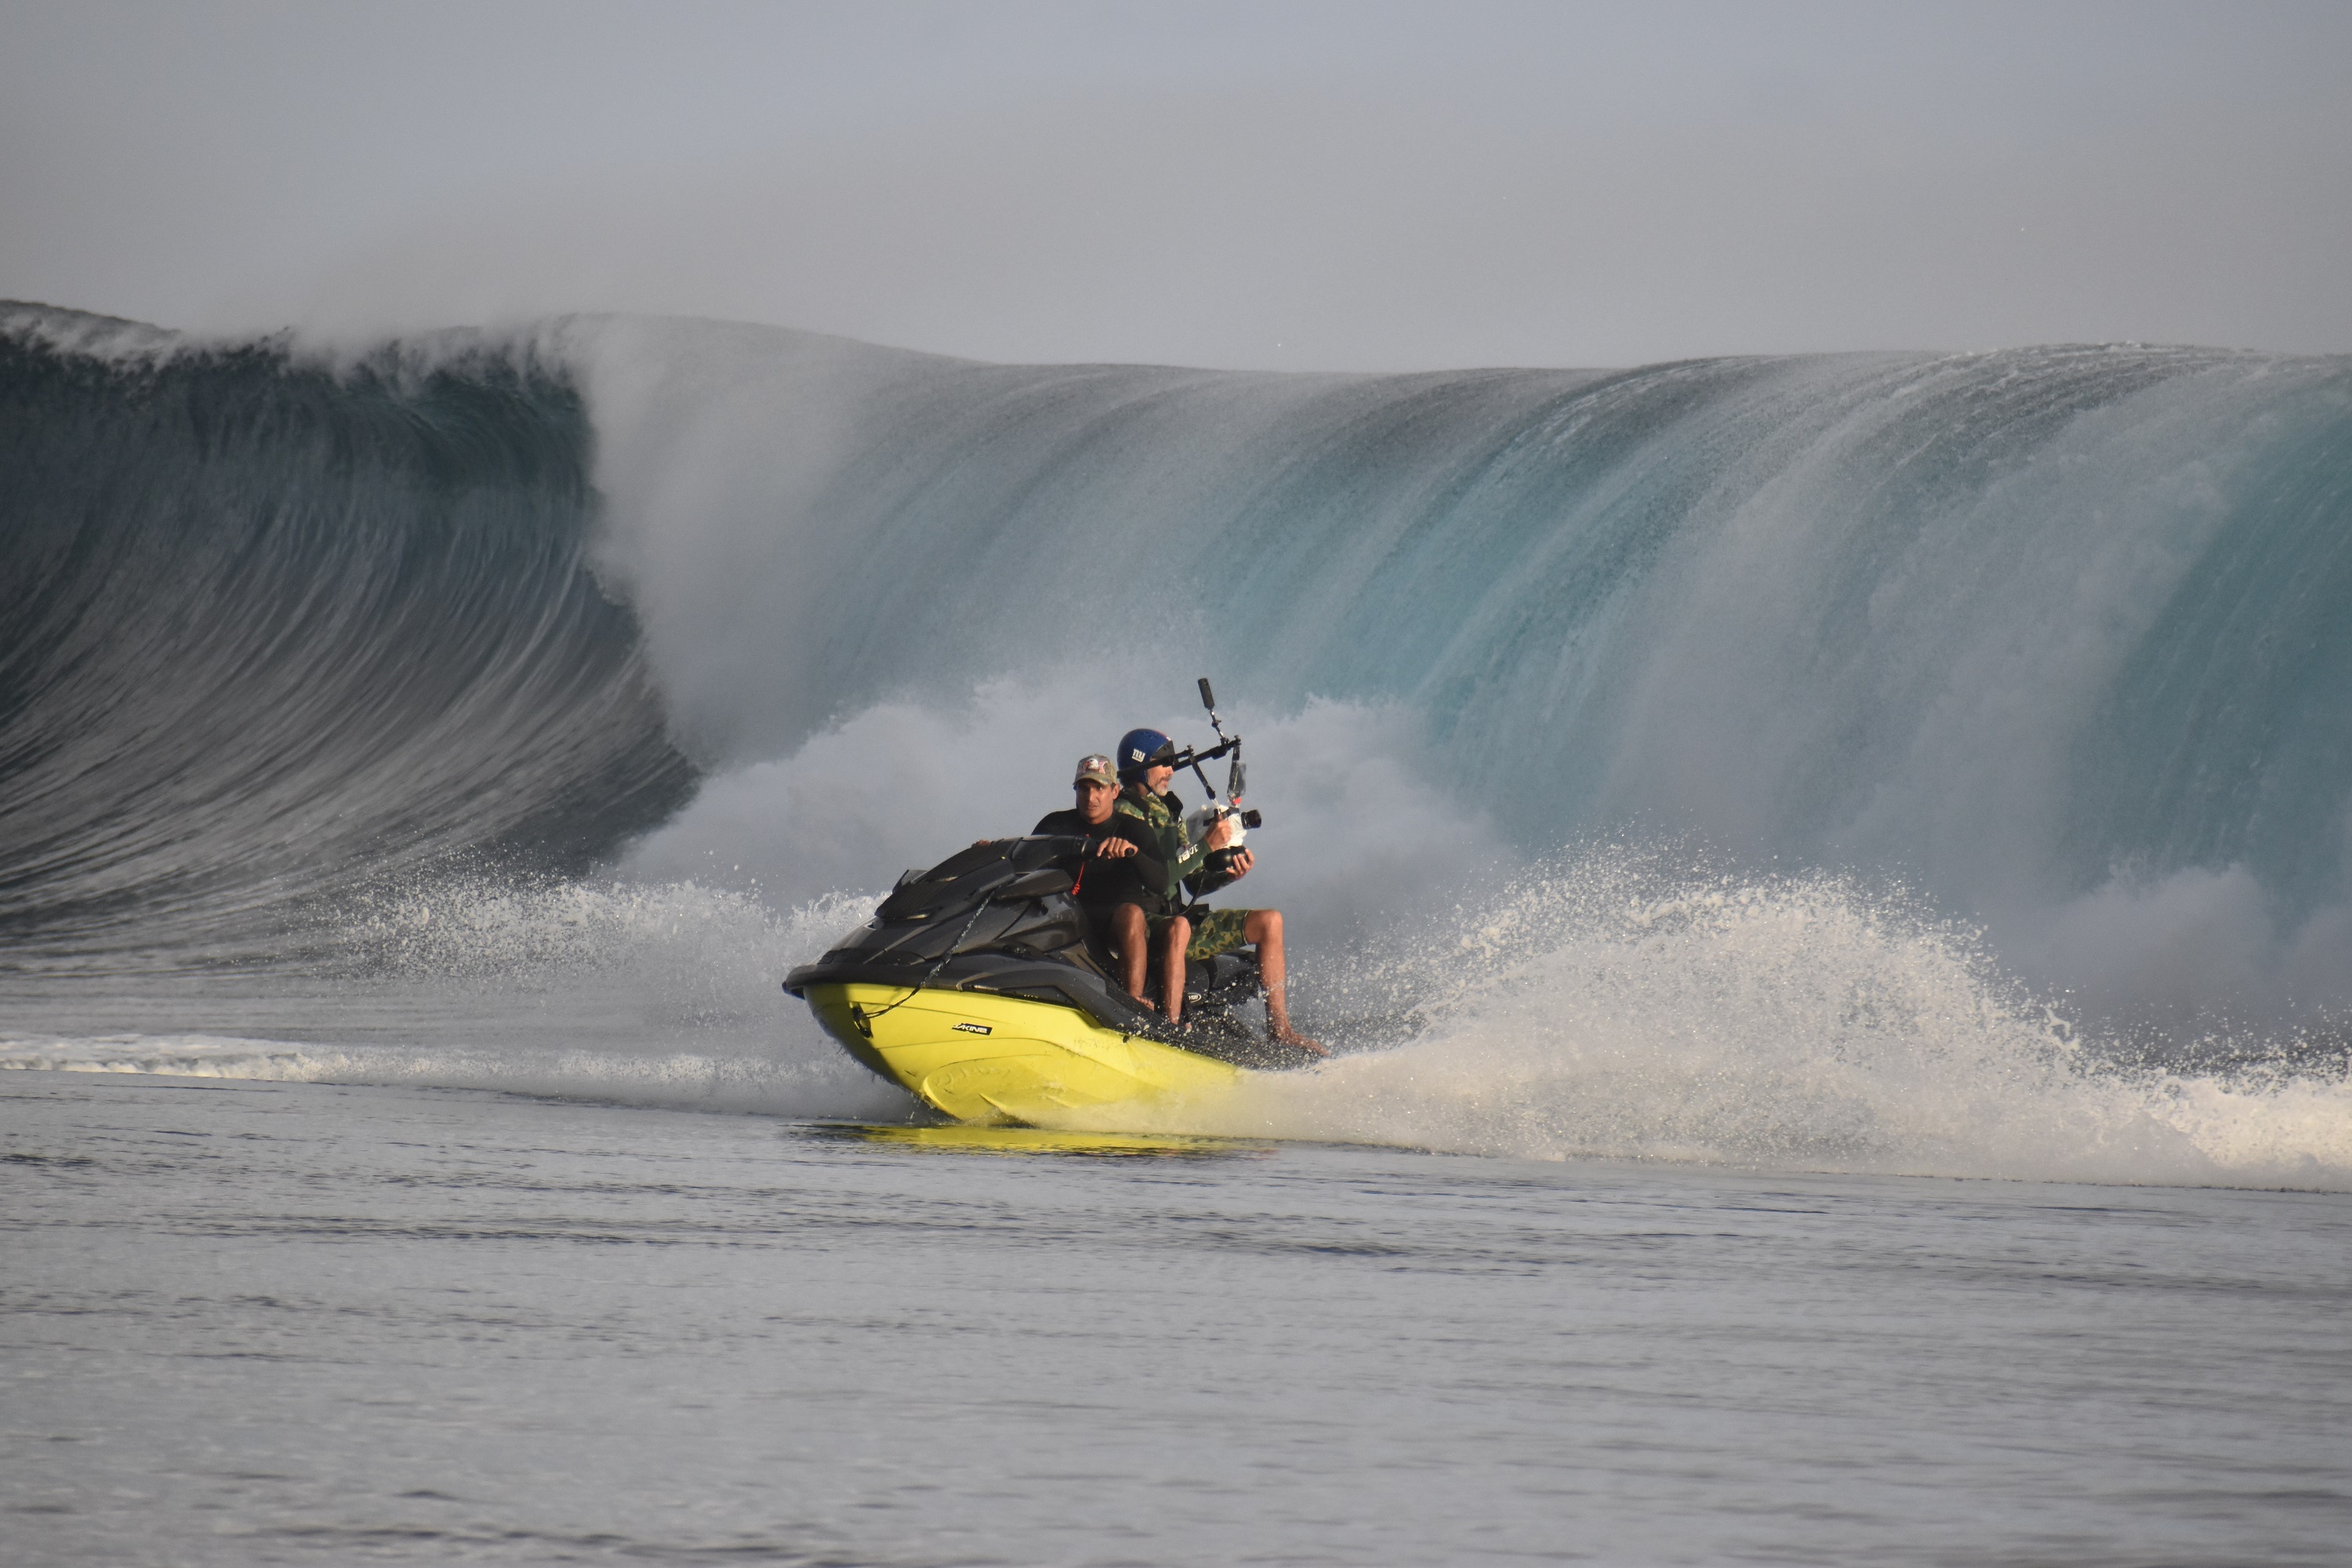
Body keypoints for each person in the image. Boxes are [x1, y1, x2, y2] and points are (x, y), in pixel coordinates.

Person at [1112, 728, 1323, 1054]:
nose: (1171, 771)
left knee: (1271, 922)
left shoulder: (1169, 811)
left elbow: (1191, 882)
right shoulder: (1126, 815)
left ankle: (1281, 1031)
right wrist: (1206, 844)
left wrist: (1228, 876)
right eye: (1164, 763)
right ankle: (1169, 1030)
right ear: (1140, 766)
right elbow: (1159, 877)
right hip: (1147, 927)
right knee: (1179, 927)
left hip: (1178, 917)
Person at [1030, 754, 1186, 1014]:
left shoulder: (1134, 829)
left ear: (1114, 791)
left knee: (1134, 914)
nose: (1090, 797)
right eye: (1084, 788)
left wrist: (1132, 853)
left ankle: (1136, 1006)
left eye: (1099, 788)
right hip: (1066, 918)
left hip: (1116, 925)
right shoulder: (1055, 824)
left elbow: (1161, 882)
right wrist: (992, 852)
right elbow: (1024, 861)